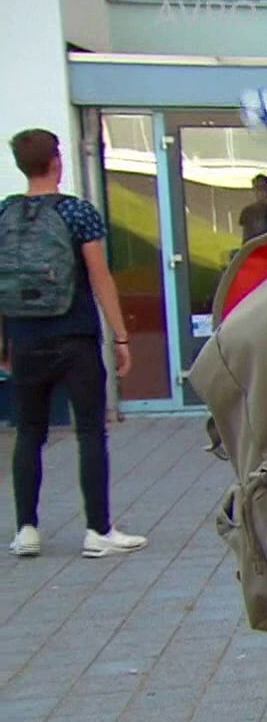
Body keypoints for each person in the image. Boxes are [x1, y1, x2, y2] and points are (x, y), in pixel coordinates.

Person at [3, 128, 147, 560]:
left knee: (29, 432)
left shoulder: (5, 213)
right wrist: (120, 335)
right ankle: (98, 531)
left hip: (24, 339)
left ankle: (27, 530)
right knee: (90, 432)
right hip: (75, 337)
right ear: (57, 161)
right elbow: (99, 277)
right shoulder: (78, 213)